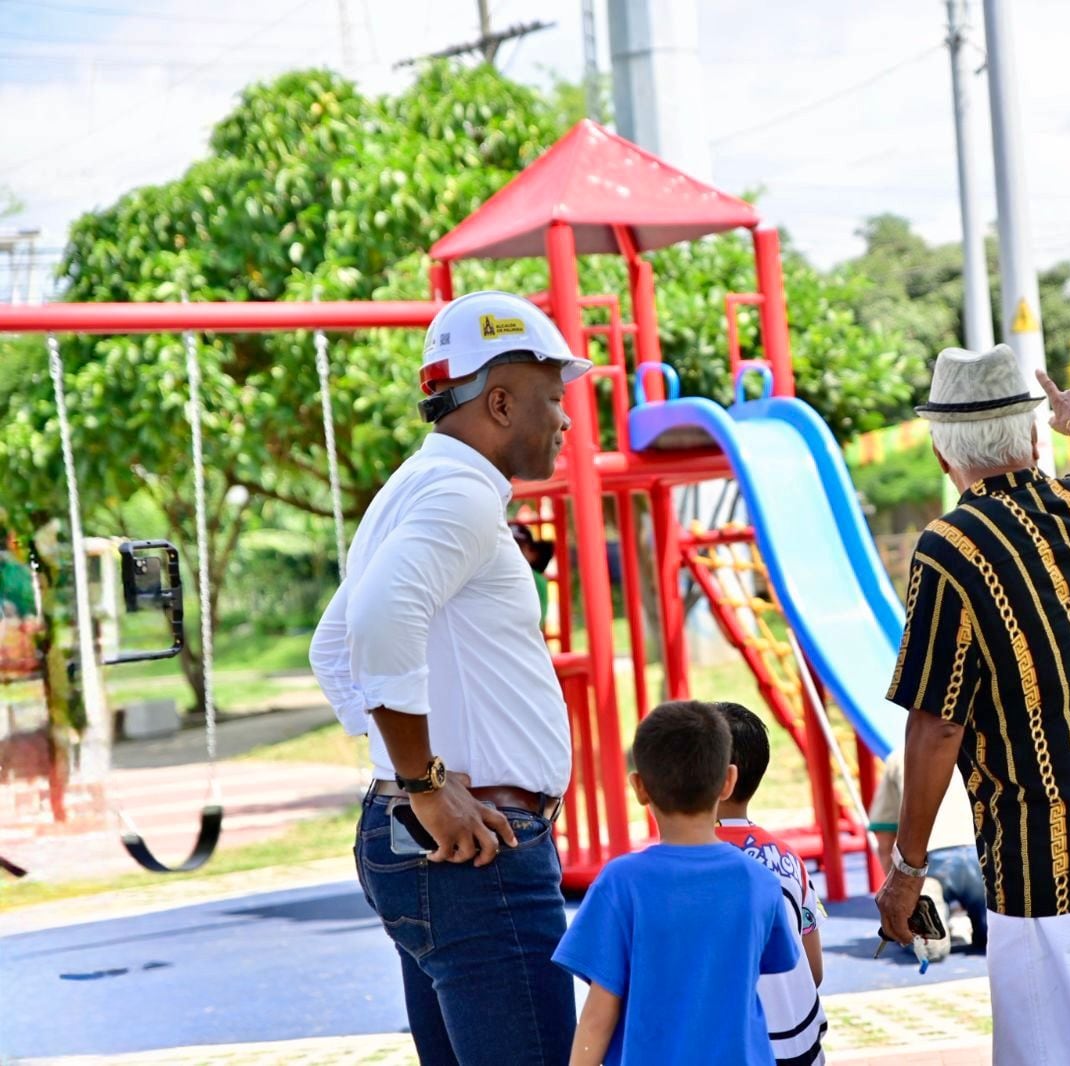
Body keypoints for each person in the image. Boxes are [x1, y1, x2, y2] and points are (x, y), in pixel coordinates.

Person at [309, 290, 592, 1065]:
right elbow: (376, 620)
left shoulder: (413, 486)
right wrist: (426, 783)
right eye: (552, 397)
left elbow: (333, 647)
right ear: (499, 402)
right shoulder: (461, 494)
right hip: (479, 852)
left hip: (440, 842)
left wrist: (405, 773)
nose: (566, 420)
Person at [875, 344, 1070, 1066]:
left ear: (944, 456)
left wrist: (907, 869)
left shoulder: (951, 547)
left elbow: (937, 725)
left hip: (1048, 863)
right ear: (1036, 439)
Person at [556, 700, 798, 1066]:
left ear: (639, 787)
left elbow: (598, 1015)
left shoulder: (621, 883)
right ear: (728, 781)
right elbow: (774, 965)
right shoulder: (759, 882)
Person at [712, 701, 828, 1065]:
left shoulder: (691, 862)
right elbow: (814, 970)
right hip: (799, 1042)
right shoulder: (792, 860)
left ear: (723, 778)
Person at [867, 748, 985, 959]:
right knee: (997, 934)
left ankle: (928, 919)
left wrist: (897, 893)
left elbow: (884, 837)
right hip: (979, 853)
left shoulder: (899, 757)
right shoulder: (979, 749)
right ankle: (988, 924)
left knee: (925, 944)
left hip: (931, 858)